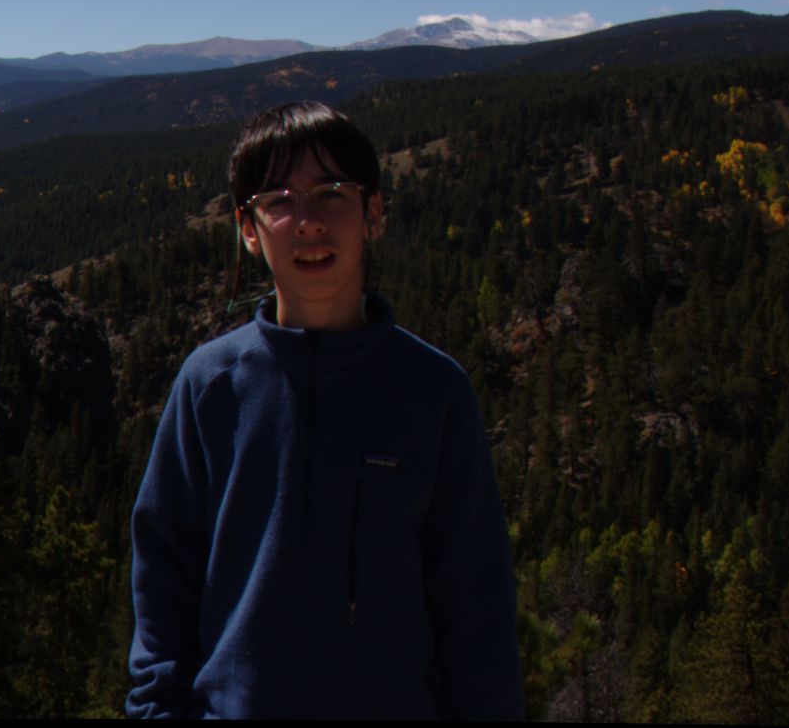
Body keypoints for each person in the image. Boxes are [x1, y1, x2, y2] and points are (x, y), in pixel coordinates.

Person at [125, 101, 524, 719]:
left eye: (332, 194)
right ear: (249, 230)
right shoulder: (210, 386)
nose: (307, 221)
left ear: (374, 213)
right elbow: (162, 594)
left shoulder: (434, 393)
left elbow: (478, 620)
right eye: (279, 200)